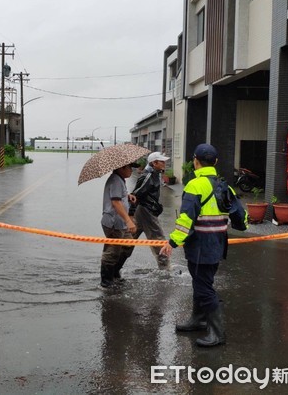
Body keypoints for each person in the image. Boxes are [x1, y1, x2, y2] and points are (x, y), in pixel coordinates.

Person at [159, 144, 248, 347]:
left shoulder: (194, 185)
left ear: (195, 161)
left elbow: (186, 219)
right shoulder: (225, 186)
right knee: (201, 283)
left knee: (204, 287)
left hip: (200, 246)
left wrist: (172, 241)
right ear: (215, 162)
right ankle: (198, 319)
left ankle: (217, 333)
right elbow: (242, 221)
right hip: (217, 245)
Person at [129, 152, 171, 270]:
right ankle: (165, 270)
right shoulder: (148, 176)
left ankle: (116, 263)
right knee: (159, 240)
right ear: (154, 163)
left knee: (129, 238)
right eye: (161, 161)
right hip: (146, 211)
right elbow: (135, 195)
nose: (164, 163)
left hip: (144, 210)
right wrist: (130, 214)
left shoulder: (155, 174)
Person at [100, 163, 137, 288]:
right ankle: (106, 281)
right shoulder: (115, 180)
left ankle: (115, 271)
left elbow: (119, 195)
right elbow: (116, 202)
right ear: (121, 168)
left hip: (120, 223)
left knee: (129, 245)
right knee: (112, 252)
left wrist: (127, 196)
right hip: (114, 223)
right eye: (130, 168)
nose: (132, 170)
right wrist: (129, 221)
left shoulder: (120, 179)